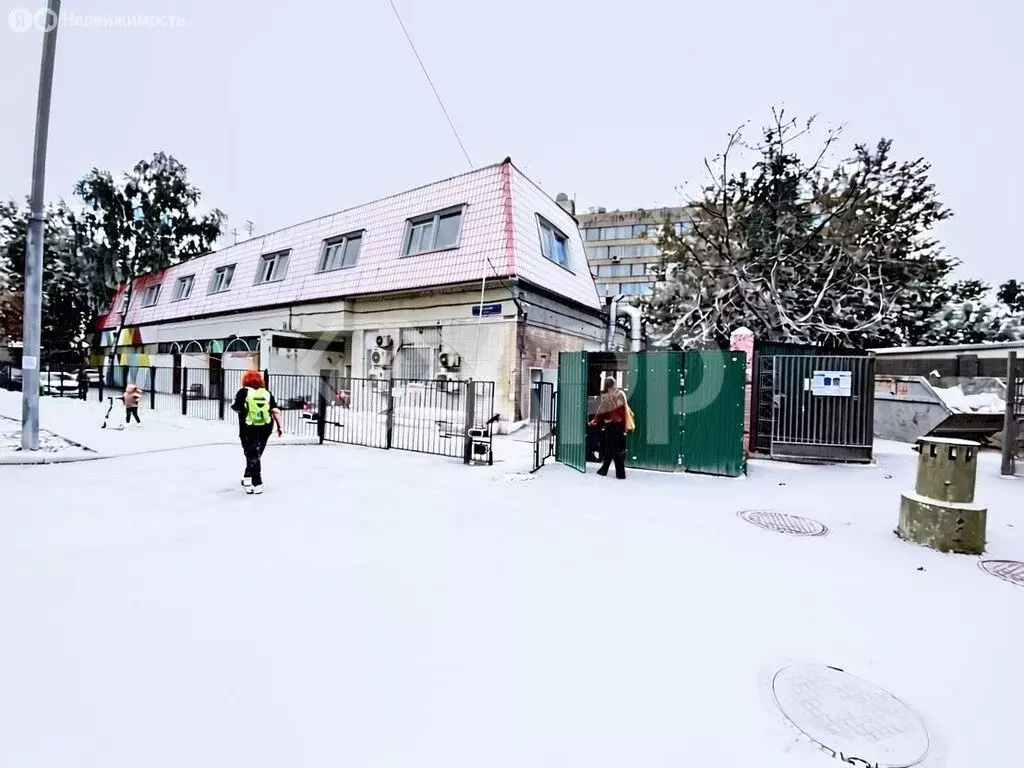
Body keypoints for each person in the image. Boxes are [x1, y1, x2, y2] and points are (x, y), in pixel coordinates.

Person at [231, 370, 284, 495]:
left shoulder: (243, 392)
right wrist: (280, 427)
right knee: (256, 454)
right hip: (265, 427)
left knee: (251, 453)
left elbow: (236, 407)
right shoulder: (267, 393)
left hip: (248, 427)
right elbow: (275, 410)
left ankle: (256, 482)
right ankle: (247, 477)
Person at [589, 376, 629, 479]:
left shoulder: (606, 397)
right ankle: (603, 470)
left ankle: (620, 474)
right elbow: (625, 411)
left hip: (611, 426)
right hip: (619, 426)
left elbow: (601, 412)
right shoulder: (621, 395)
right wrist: (625, 426)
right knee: (611, 450)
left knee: (614, 451)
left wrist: (595, 421)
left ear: (606, 385)